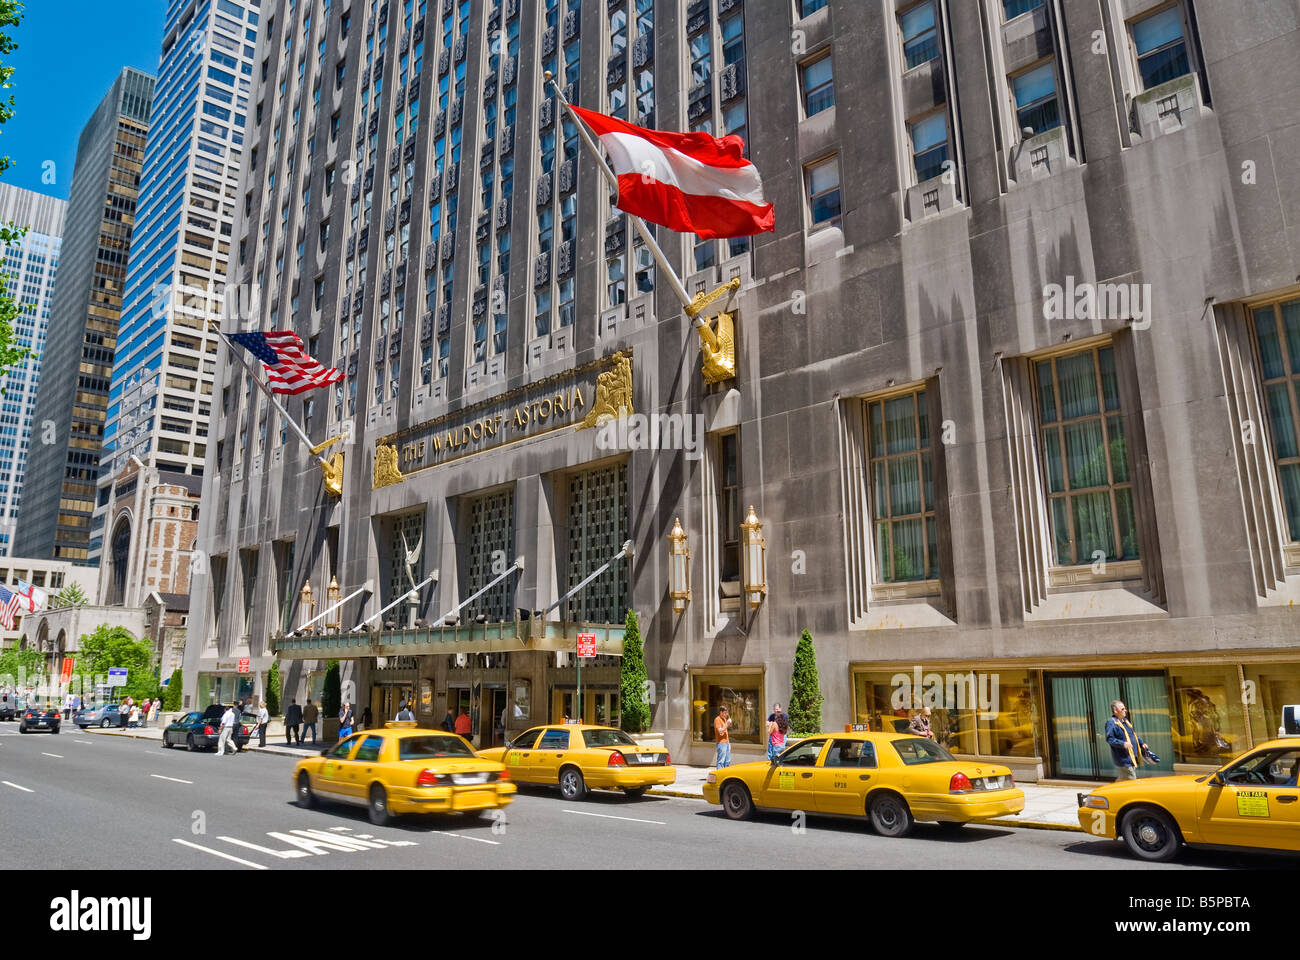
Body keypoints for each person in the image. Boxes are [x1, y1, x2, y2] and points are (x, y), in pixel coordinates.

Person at [1105, 700, 1156, 781]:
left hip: (1131, 758)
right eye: (1122, 709)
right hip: (1124, 759)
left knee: (1123, 780)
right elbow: (1110, 739)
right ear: (1115, 711)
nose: (1125, 710)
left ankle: (1112, 791)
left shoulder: (1125, 721)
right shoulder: (1112, 722)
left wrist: (1141, 743)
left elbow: (1133, 735)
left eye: (1124, 708)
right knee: (1131, 781)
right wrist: (1123, 744)